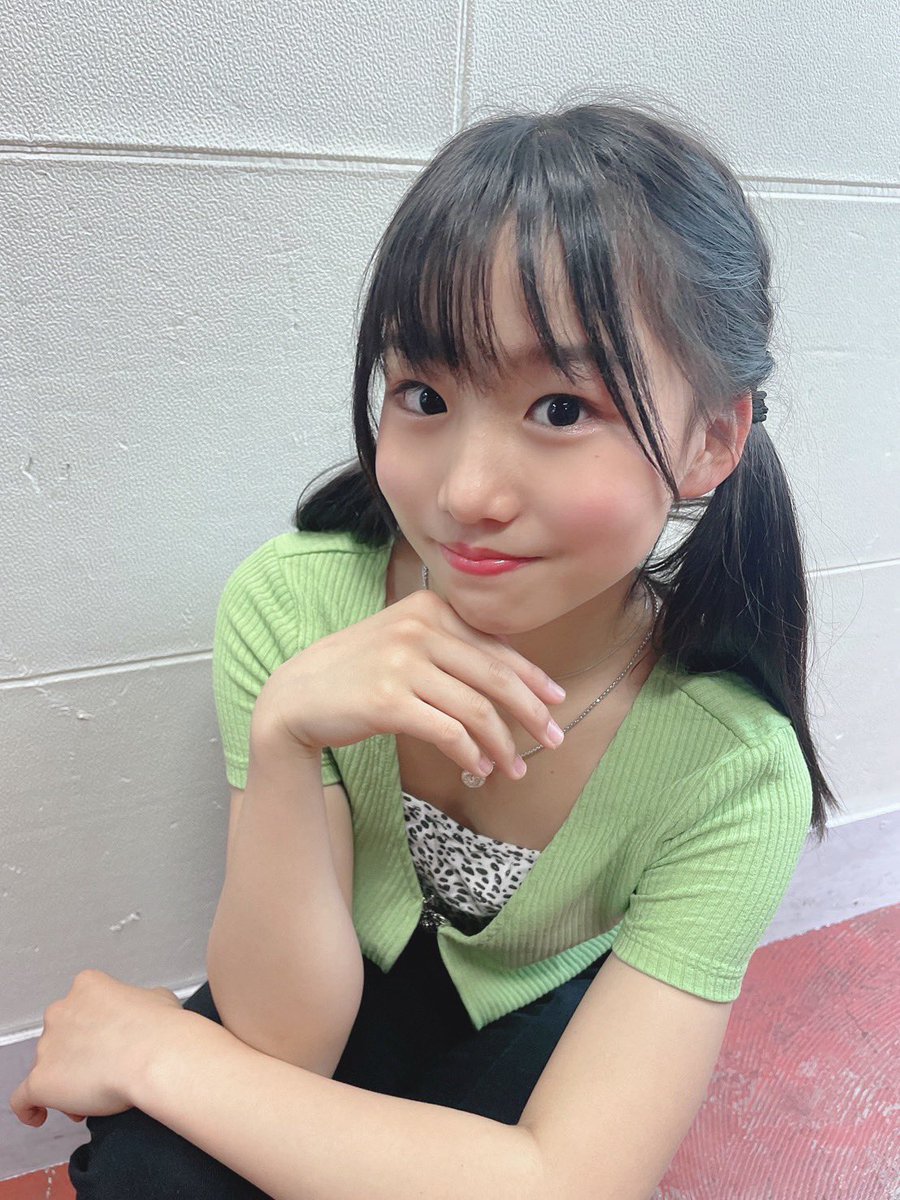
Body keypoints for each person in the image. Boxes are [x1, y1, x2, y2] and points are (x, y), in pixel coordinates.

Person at [11, 98, 840, 1200]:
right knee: (148, 1175)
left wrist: (155, 1052)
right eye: (424, 395)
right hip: (342, 982)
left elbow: (567, 1182)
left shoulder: (732, 766)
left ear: (712, 439)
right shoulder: (295, 603)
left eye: (561, 408)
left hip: (542, 1022)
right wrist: (288, 736)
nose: (467, 494)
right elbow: (282, 1041)